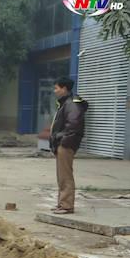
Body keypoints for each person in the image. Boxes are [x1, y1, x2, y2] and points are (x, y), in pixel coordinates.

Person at [49, 77, 88, 215]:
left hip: (66, 144)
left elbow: (73, 127)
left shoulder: (72, 104)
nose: (55, 91)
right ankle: (62, 204)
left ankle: (66, 206)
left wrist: (61, 139)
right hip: (62, 144)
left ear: (64, 88)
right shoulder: (66, 103)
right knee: (62, 176)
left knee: (65, 176)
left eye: (56, 88)